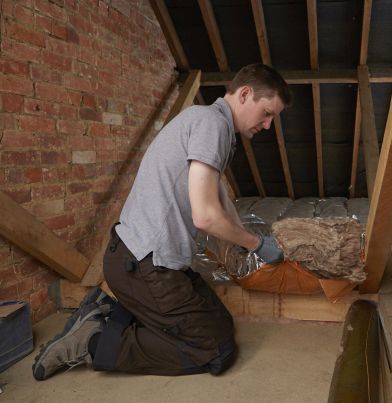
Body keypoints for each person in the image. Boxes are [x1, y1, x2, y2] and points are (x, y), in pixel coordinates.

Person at [32, 63, 292, 380]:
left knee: (220, 322)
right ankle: (93, 341)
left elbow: (220, 197)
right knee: (215, 350)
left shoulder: (211, 124)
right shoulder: (212, 125)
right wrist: (255, 244)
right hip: (144, 265)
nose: (267, 125)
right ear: (245, 93)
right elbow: (205, 216)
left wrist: (244, 240)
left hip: (146, 261)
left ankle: (113, 310)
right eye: (267, 113)